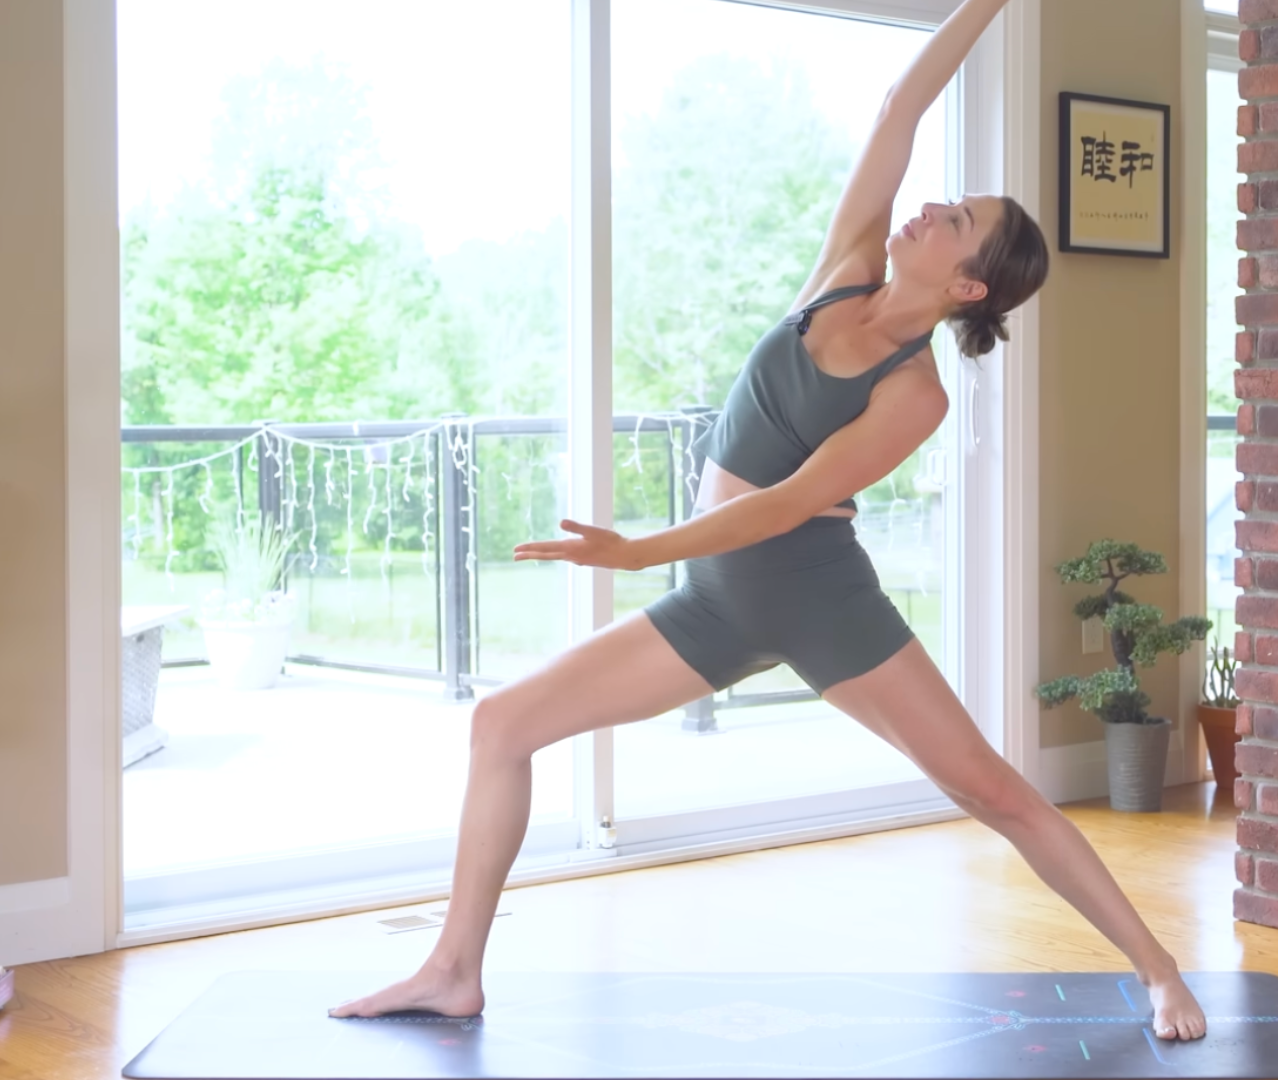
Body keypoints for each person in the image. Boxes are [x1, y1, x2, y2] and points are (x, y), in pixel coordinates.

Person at [330, 0, 1208, 1043]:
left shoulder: (914, 394)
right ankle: (452, 970)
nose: (930, 208)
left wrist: (635, 551)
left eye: (956, 219)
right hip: (716, 602)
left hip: (817, 602)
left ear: (968, 283)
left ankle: (1160, 971)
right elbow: (901, 102)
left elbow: (786, 507)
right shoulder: (843, 271)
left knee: (993, 792)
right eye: (946, 199)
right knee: (502, 725)